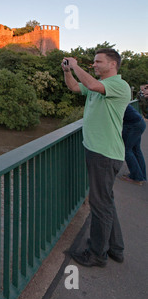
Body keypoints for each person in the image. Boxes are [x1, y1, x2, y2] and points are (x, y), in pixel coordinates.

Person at [62, 48, 131, 267]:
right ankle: (116, 248)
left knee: (99, 205)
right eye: (94, 62)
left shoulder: (118, 85)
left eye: (99, 61)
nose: (95, 64)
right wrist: (67, 71)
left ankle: (96, 254)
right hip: (98, 151)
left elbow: (91, 85)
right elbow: (75, 87)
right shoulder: (99, 85)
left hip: (104, 153)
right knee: (105, 202)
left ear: (113, 64)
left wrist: (75, 65)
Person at [120, 104, 147, 185]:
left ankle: (137, 177)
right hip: (139, 122)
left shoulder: (110, 101)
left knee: (127, 151)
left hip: (132, 125)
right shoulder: (121, 97)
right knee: (136, 149)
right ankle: (141, 175)